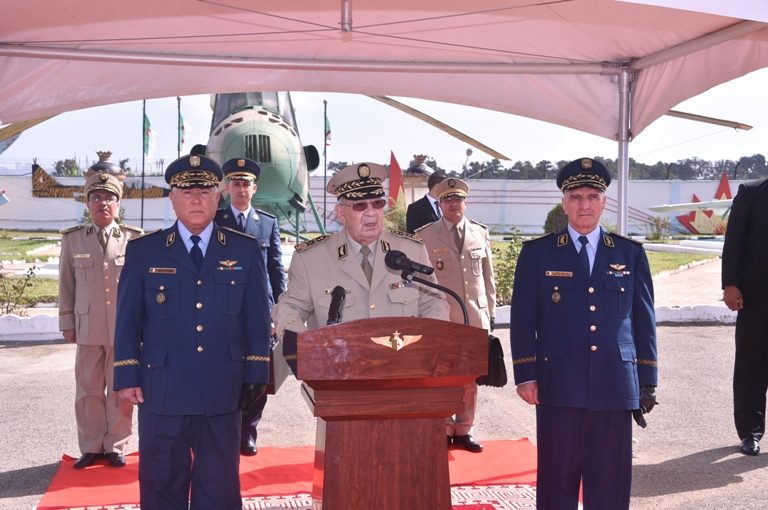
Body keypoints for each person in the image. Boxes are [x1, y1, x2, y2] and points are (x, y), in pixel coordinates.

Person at [113, 154, 272, 510]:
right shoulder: (144, 251)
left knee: (218, 486)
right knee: (161, 482)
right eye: (187, 191)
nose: (196, 198)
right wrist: (126, 374)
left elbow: (257, 319)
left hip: (223, 387)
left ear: (219, 196)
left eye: (205, 190)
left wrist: (257, 373)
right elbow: (128, 321)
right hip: (162, 387)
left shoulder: (244, 250)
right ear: (172, 198)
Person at [509, 157, 658, 510]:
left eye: (592, 196)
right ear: (564, 203)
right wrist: (526, 374)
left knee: (610, 480)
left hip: (615, 383)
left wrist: (647, 379)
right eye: (576, 197)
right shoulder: (538, 254)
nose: (585, 205)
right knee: (557, 480)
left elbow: (643, 320)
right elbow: (522, 318)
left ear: (604, 202)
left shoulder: (629, 253)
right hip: (559, 382)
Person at [272, 162, 448, 340]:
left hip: (402, 362)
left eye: (377, 203)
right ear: (341, 213)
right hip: (340, 365)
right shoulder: (311, 259)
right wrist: (309, 347)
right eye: (360, 206)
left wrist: (426, 344)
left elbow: (434, 302)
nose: (371, 213)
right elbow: (290, 307)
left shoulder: (411, 250)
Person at [59, 166, 143, 469]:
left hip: (124, 330)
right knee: (88, 389)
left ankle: (116, 445)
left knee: (121, 388)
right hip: (87, 327)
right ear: (87, 204)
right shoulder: (73, 240)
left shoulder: (134, 239)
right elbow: (66, 285)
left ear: (118, 204)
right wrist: (67, 322)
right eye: (96, 197)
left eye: (109, 197)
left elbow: (141, 290)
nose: (102, 203)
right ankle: (92, 445)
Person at [415, 178, 496, 452]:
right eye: (448, 200)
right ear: (439, 204)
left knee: (470, 378)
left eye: (458, 200)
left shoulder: (479, 232)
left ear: (465, 202)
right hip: (442, 319)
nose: (454, 205)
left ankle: (464, 429)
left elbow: (488, 278)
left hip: (474, 318)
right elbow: (417, 280)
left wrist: (491, 314)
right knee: (440, 376)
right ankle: (443, 428)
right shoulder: (425, 235)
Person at [215, 157, 286, 456]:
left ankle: (249, 431)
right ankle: (226, 429)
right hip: (223, 307)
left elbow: (276, 269)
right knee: (223, 370)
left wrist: (279, 309)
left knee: (259, 370)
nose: (241, 188)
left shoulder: (267, 223)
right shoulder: (216, 221)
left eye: (246, 183)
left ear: (254, 188)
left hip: (259, 308)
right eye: (235, 183)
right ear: (227, 187)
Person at [721, 176, 768, 456]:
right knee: (751, 364)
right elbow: (734, 238)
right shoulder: (751, 192)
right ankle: (750, 432)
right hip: (756, 295)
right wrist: (730, 283)